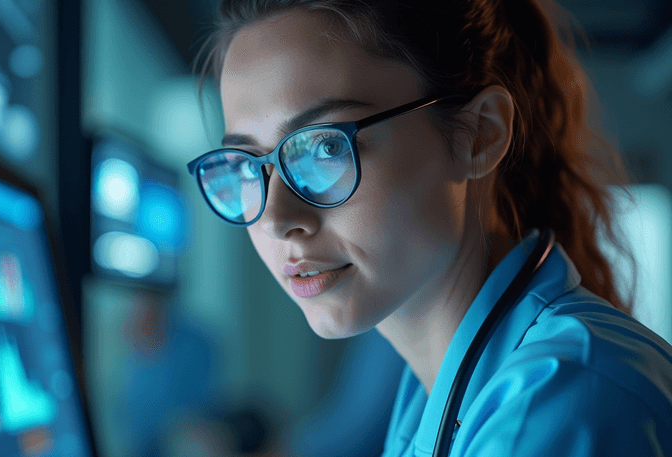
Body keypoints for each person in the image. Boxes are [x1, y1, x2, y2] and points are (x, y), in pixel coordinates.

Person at [185, 0, 672, 455]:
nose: (276, 219)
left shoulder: (561, 405)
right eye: (245, 164)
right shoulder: (431, 395)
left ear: (479, 135)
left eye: (325, 148)